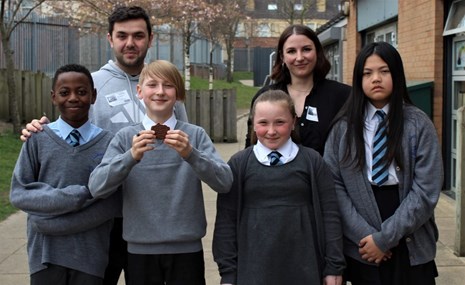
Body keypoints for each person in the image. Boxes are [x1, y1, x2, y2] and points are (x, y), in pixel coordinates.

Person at [20, 6, 189, 285]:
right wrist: (38, 128)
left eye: (138, 35)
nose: (130, 43)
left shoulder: (163, 88)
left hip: (152, 216)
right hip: (101, 215)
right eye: (122, 36)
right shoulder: (91, 85)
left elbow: (183, 150)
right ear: (110, 39)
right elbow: (65, 130)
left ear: (150, 38)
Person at [88, 60, 233, 285]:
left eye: (168, 85)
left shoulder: (194, 136)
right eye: (152, 85)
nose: (160, 92)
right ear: (140, 91)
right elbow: (97, 187)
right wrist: (130, 158)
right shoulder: (126, 138)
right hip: (139, 250)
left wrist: (191, 155)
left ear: (178, 93)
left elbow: (224, 182)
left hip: (187, 249)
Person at [323, 42, 442, 285]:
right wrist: (367, 236)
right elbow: (333, 185)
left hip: (409, 228)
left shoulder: (419, 124)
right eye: (367, 73)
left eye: (384, 71)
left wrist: (385, 238)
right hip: (360, 236)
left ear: (396, 74)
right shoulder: (343, 128)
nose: (376, 79)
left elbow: (426, 190)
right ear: (358, 79)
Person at [213, 89, 345, 285]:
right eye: (263, 123)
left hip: (305, 269)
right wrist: (228, 273)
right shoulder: (239, 164)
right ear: (253, 124)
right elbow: (226, 221)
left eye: (280, 122)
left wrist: (334, 266)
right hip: (253, 271)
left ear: (293, 122)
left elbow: (330, 215)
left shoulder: (312, 161)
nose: (271, 131)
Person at [9, 64, 121, 285]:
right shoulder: (37, 140)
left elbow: (112, 203)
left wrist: (50, 223)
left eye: (81, 92)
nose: (73, 98)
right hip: (44, 256)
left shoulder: (110, 144)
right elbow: (19, 194)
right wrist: (79, 195)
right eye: (64, 92)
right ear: (53, 97)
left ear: (93, 96)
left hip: (91, 257)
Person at [244, 24, 351, 155]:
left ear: (317, 52)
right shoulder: (266, 96)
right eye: (291, 51)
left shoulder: (342, 96)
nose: (299, 58)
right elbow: (251, 145)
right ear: (282, 57)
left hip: (326, 175)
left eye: (306, 49)